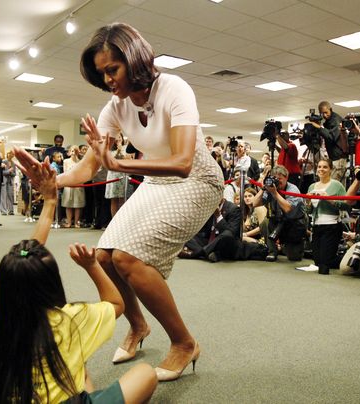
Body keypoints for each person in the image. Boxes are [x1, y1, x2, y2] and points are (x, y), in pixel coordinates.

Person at [15, 22, 223, 381]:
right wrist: (53, 180)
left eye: (114, 69)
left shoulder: (174, 88)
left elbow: (183, 161)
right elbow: (87, 168)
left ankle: (184, 343)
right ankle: (138, 325)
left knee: (129, 259)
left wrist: (120, 163)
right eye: (102, 73)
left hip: (197, 180)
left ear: (135, 60)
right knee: (105, 256)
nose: (109, 79)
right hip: (158, 181)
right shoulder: (114, 107)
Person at [0, 163, 158, 403]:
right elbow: (116, 303)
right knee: (145, 373)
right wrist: (92, 266)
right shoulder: (72, 319)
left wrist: (49, 203)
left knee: (79, 363)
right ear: (52, 283)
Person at [253, 164, 307, 262]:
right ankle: (272, 251)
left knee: (294, 257)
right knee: (265, 222)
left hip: (294, 224)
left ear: (286, 178)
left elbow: (287, 208)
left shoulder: (293, 189)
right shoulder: (272, 188)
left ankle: (286, 247)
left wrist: (275, 193)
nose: (277, 181)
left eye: (280, 178)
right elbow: (255, 203)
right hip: (278, 221)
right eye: (275, 178)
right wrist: (263, 188)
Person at [307, 159, 347, 275]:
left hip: (332, 226)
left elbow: (346, 205)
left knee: (324, 266)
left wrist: (329, 199)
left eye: (325, 167)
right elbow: (308, 210)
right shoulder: (312, 186)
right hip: (317, 225)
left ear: (330, 169)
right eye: (319, 167)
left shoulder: (337, 185)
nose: (321, 169)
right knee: (318, 261)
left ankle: (347, 260)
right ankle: (340, 260)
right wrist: (308, 201)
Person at [179, 197, 242, 263]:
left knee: (227, 234)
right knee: (187, 234)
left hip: (223, 241)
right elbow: (203, 230)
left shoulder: (234, 209)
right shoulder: (209, 207)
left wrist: (218, 216)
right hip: (210, 240)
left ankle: (197, 253)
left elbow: (231, 232)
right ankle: (210, 253)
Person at [312, 101, 346, 182]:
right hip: (333, 158)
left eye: (326, 112)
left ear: (330, 109)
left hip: (339, 158)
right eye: (322, 113)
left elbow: (331, 137)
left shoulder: (336, 120)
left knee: (335, 185)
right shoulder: (327, 122)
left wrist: (319, 127)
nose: (324, 115)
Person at [104, 133, 131, 217]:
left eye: (119, 137)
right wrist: (118, 150)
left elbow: (128, 159)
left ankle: (122, 219)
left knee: (123, 198)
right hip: (113, 176)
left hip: (123, 175)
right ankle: (113, 220)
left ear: (122, 138)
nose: (118, 139)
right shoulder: (109, 150)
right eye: (116, 137)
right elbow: (110, 161)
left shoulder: (126, 148)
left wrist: (121, 150)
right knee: (114, 199)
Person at [62, 145, 87, 228]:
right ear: (69, 152)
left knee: (77, 205)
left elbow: (82, 173)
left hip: (78, 184)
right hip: (68, 184)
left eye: (75, 151)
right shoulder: (66, 161)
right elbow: (65, 172)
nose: (73, 152)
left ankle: (76, 222)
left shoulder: (81, 162)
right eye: (72, 150)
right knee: (68, 204)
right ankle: (68, 222)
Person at [0, 149, 16, 216]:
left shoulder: (13, 163)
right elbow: (1, 172)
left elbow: (14, 174)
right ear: (7, 154)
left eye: (12, 154)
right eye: (10, 153)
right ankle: (3, 211)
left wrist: (11, 172)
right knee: (3, 196)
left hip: (10, 181)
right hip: (4, 180)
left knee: (10, 196)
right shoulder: (3, 161)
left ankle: (11, 210)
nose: (11, 155)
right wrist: (8, 171)